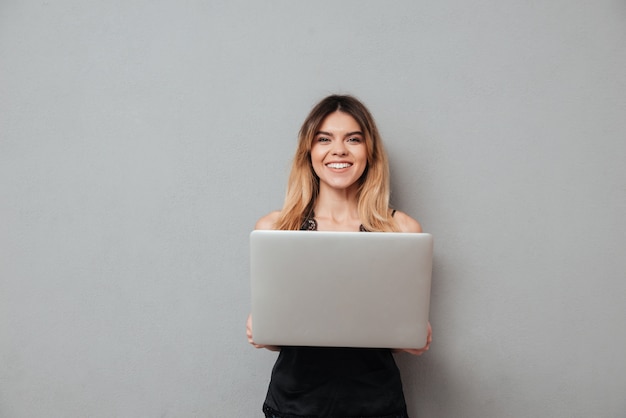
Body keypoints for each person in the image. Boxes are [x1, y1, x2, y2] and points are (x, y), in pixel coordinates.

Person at [246, 94, 432, 418]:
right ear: (310, 151)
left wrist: (413, 337)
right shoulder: (277, 227)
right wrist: (260, 330)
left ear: (369, 151)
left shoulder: (400, 229)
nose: (339, 150)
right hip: (294, 404)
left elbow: (399, 336)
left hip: (376, 404)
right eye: (324, 139)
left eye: (353, 139)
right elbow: (277, 340)